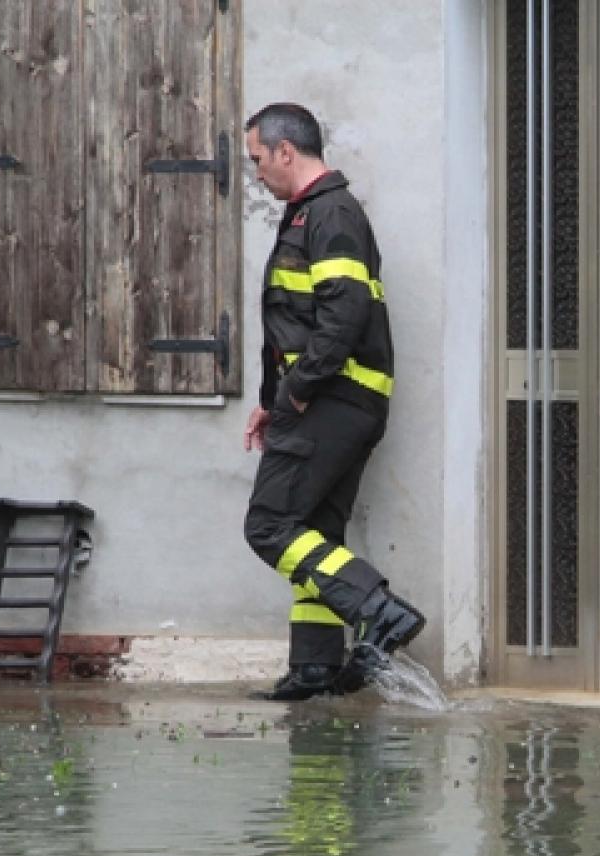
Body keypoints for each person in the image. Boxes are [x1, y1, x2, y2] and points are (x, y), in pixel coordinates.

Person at [241, 103, 423, 701]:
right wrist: (271, 400)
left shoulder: (330, 213)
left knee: (269, 526)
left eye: (258, 159)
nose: (257, 173)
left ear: (285, 151)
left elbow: (341, 319)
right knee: (314, 530)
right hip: (338, 399)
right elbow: (296, 322)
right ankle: (315, 667)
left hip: (332, 399)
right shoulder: (312, 215)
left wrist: (294, 393)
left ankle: (379, 608)